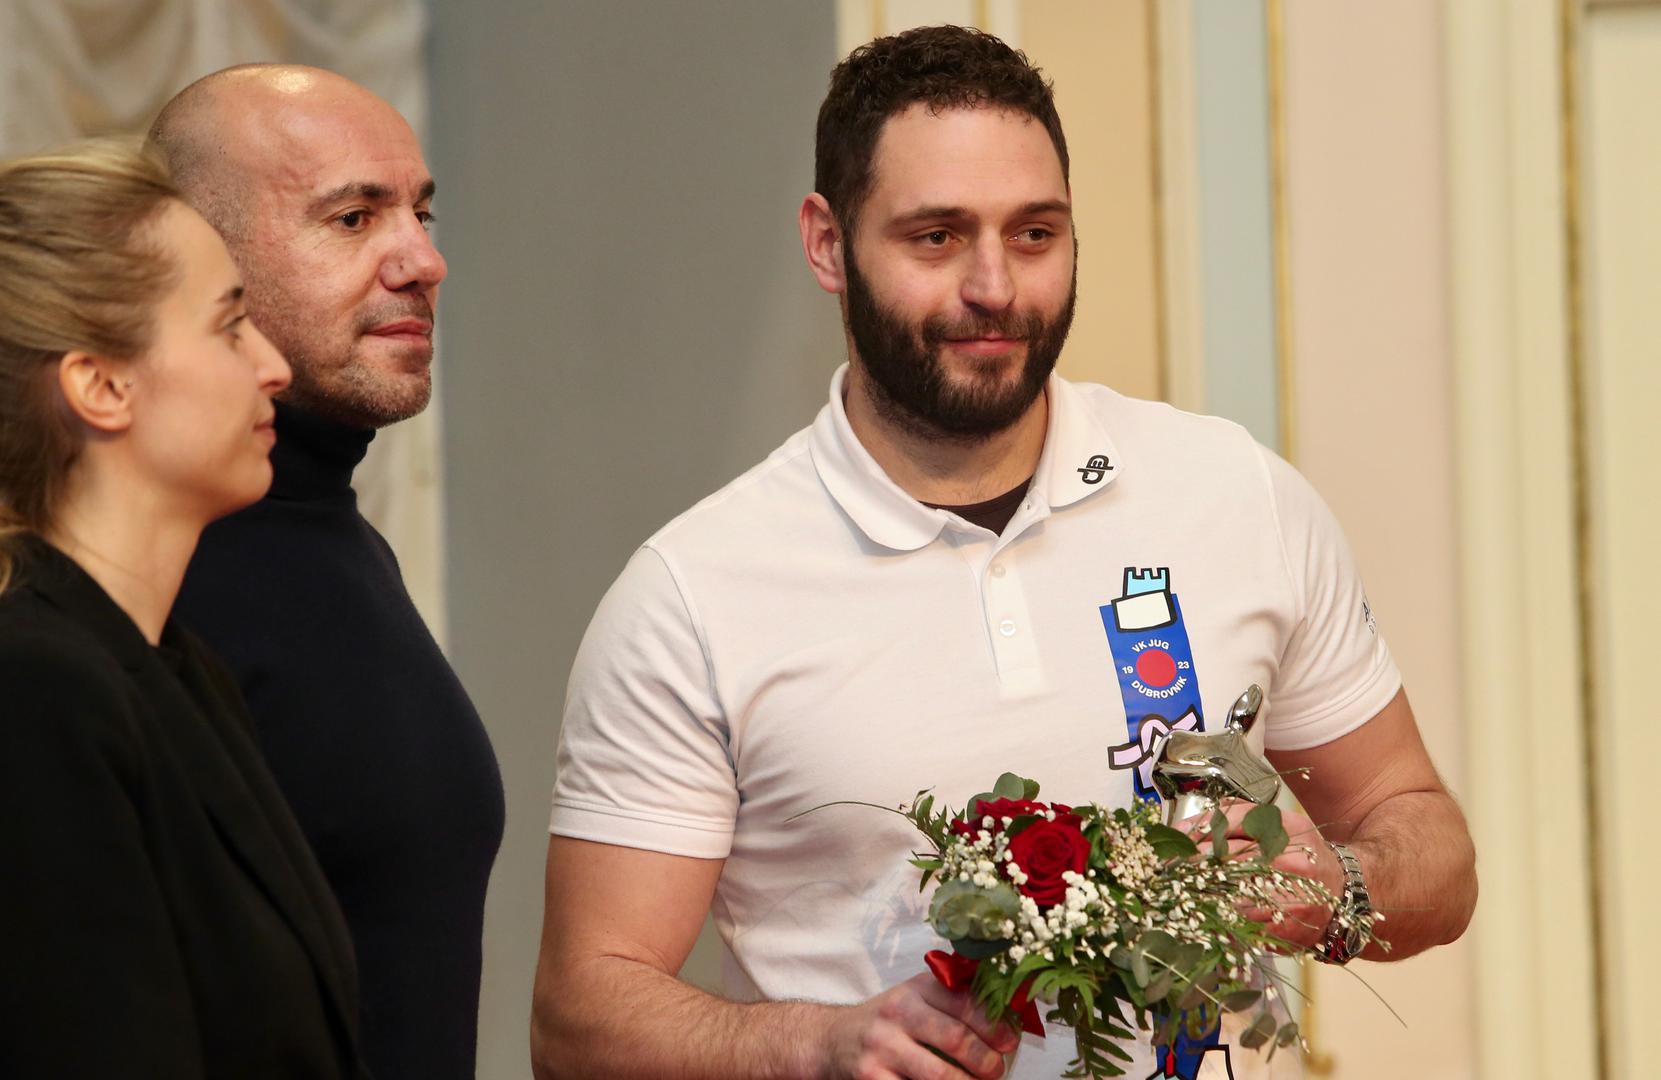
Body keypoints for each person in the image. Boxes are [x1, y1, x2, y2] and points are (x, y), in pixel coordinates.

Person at [532, 25, 1477, 1080]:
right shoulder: (694, 595)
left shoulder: (1234, 494)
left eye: (1033, 234)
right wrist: (812, 1044)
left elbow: (1427, 843)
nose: (994, 286)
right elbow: (578, 1022)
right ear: (826, 244)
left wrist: (1341, 890)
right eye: (935, 237)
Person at [147, 66, 505, 1080]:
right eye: (353, 218)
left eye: (421, 213)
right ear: (198, 259)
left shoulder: (342, 541)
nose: (424, 260)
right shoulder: (156, 585)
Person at [0, 140, 369, 1078]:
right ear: (102, 385)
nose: (272, 367)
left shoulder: (179, 666)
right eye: (230, 325)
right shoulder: (35, 687)